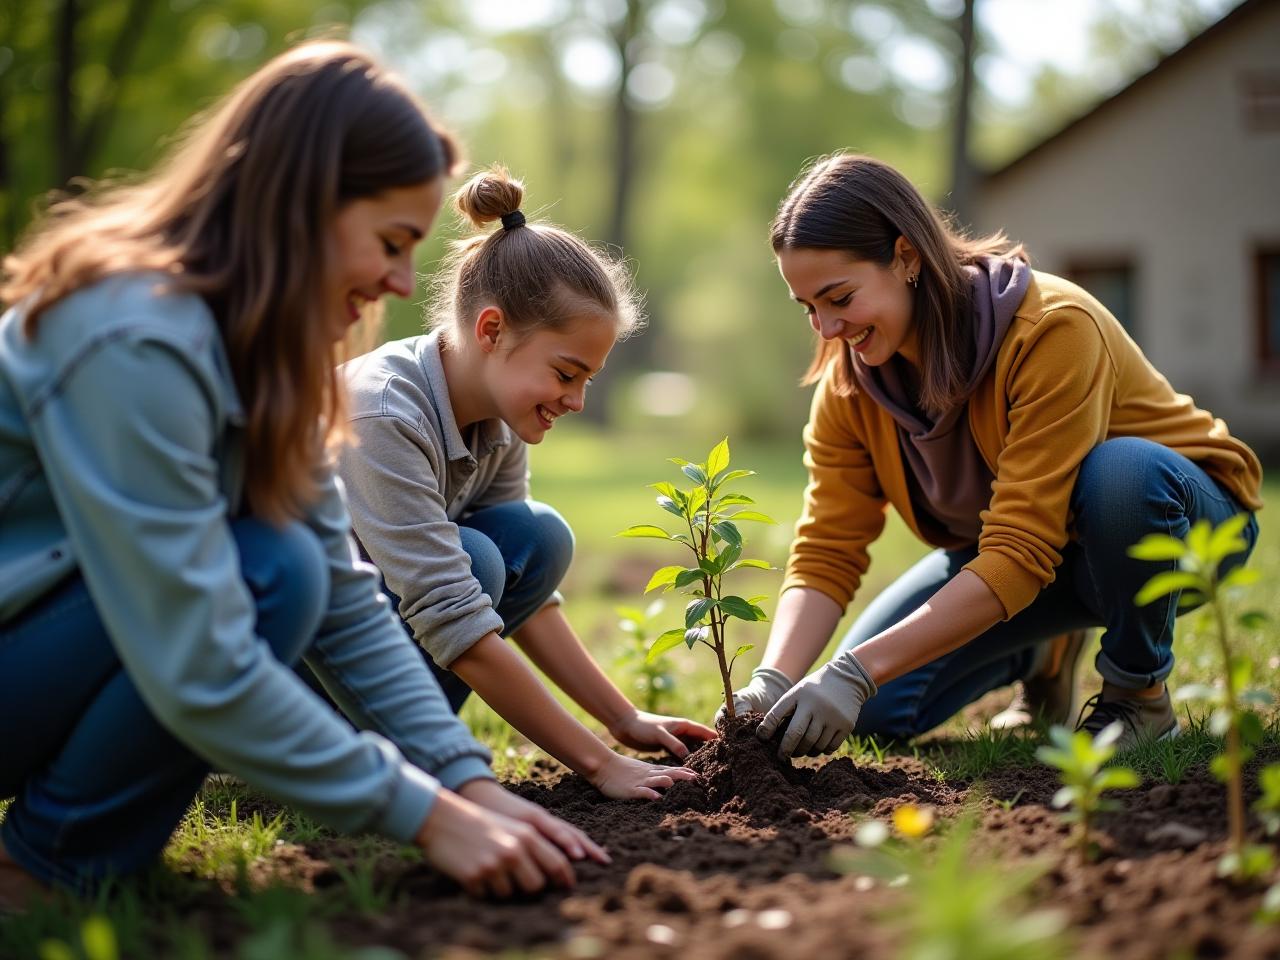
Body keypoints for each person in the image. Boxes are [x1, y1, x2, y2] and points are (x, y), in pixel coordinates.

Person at [0, 41, 608, 908]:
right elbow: (197, 656)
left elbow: (345, 596)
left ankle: (73, 848)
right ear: (301, 206)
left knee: (290, 567)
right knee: (266, 571)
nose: (404, 279)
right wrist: (429, 818)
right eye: (391, 242)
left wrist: (464, 783)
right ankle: (41, 868)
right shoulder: (132, 336)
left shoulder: (271, 361)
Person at [728, 152, 1262, 759]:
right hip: (1030, 559)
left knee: (1122, 474)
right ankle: (1043, 652)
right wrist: (773, 680)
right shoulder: (851, 386)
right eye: (809, 308)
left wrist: (851, 668)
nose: (825, 328)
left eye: (840, 298)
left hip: (1179, 531)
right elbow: (828, 548)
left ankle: (1137, 696)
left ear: (906, 258)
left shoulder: (1051, 329)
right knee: (872, 711)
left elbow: (1020, 546)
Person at [333, 166, 715, 800]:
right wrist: (599, 764)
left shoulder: (500, 418)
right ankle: (378, 746)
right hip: (284, 658)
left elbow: (526, 591)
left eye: (587, 379)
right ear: (491, 331)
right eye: (567, 374)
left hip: (367, 635)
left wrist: (622, 719)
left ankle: (402, 736)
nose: (577, 400)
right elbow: (452, 610)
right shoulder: (382, 413)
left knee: (535, 535)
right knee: (475, 558)